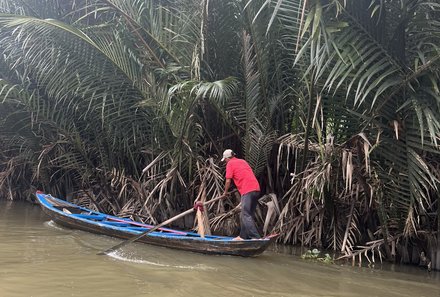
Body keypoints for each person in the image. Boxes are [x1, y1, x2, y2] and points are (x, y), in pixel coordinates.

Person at [221, 149, 261, 240]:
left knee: (245, 214)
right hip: (256, 189)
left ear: (227, 158)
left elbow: (228, 180)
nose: (225, 162)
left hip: (247, 190)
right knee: (248, 214)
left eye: (225, 160)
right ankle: (243, 236)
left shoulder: (230, 164)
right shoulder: (243, 161)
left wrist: (225, 192)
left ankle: (255, 237)